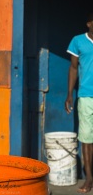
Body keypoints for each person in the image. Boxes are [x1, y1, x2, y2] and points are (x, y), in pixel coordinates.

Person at [65, 13, 93, 193]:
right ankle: (89, 177)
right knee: (86, 138)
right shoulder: (78, 41)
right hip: (86, 96)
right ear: (89, 23)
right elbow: (73, 68)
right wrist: (69, 95)